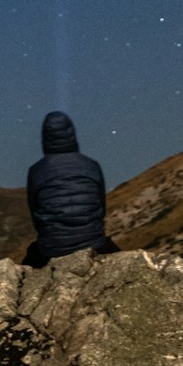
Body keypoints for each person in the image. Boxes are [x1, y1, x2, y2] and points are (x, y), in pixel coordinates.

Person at [22, 110, 120, 267]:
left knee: (29, 261)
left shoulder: (36, 171)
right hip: (93, 243)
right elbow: (101, 208)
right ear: (72, 135)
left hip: (52, 248)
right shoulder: (92, 165)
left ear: (45, 138)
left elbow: (35, 213)